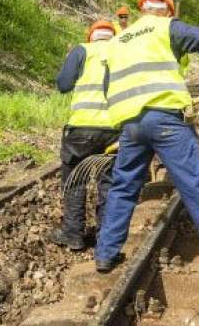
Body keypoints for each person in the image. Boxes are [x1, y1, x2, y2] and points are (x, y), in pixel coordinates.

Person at [95, 0, 199, 272]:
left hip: (131, 125)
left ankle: (106, 254)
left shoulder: (119, 41)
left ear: (142, 9)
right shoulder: (166, 27)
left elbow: (109, 86)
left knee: (123, 187)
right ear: (168, 10)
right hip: (166, 120)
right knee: (193, 183)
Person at [49, 19, 120, 251]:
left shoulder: (83, 50)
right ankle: (105, 239)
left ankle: (73, 233)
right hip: (114, 130)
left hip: (81, 130)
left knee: (75, 179)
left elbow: (63, 84)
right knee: (108, 182)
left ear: (91, 36)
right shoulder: (123, 52)